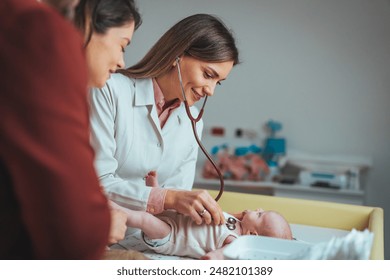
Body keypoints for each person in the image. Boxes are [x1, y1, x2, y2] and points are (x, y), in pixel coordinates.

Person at [0, 0, 142, 259]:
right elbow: (74, 229)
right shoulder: (36, 30)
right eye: (122, 45)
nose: (122, 62)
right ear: (88, 21)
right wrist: (101, 225)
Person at [89, 14, 240, 250]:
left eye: (218, 82)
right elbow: (95, 182)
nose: (211, 90)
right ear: (177, 56)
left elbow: (177, 209)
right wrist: (166, 197)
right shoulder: (108, 91)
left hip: (149, 245)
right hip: (94, 237)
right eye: (208, 75)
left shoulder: (193, 125)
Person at [111, 202, 292, 259]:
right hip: (178, 218)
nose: (259, 209)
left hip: (172, 236)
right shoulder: (238, 221)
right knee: (157, 207)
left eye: (261, 215)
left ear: (252, 235)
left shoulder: (235, 241)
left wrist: (211, 259)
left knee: (143, 219)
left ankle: (109, 207)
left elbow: (221, 255)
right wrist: (246, 216)